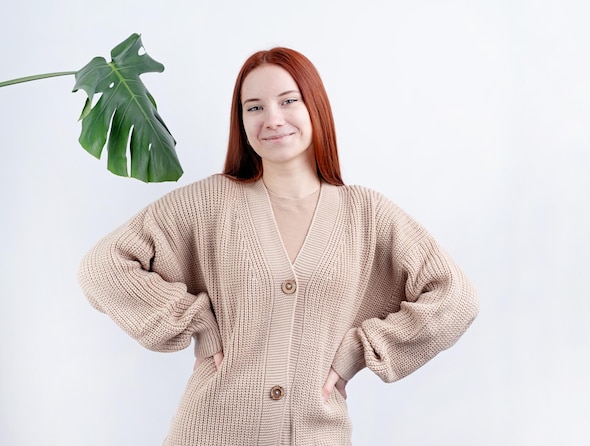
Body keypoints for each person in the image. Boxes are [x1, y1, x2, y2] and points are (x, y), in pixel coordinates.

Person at [78, 47, 479, 446]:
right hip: (211, 431)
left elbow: (455, 299)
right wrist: (196, 323)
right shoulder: (210, 204)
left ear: (315, 107)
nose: (272, 119)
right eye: (254, 108)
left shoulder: (367, 215)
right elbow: (102, 267)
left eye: (288, 100)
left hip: (315, 435)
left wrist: (358, 352)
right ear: (241, 122)